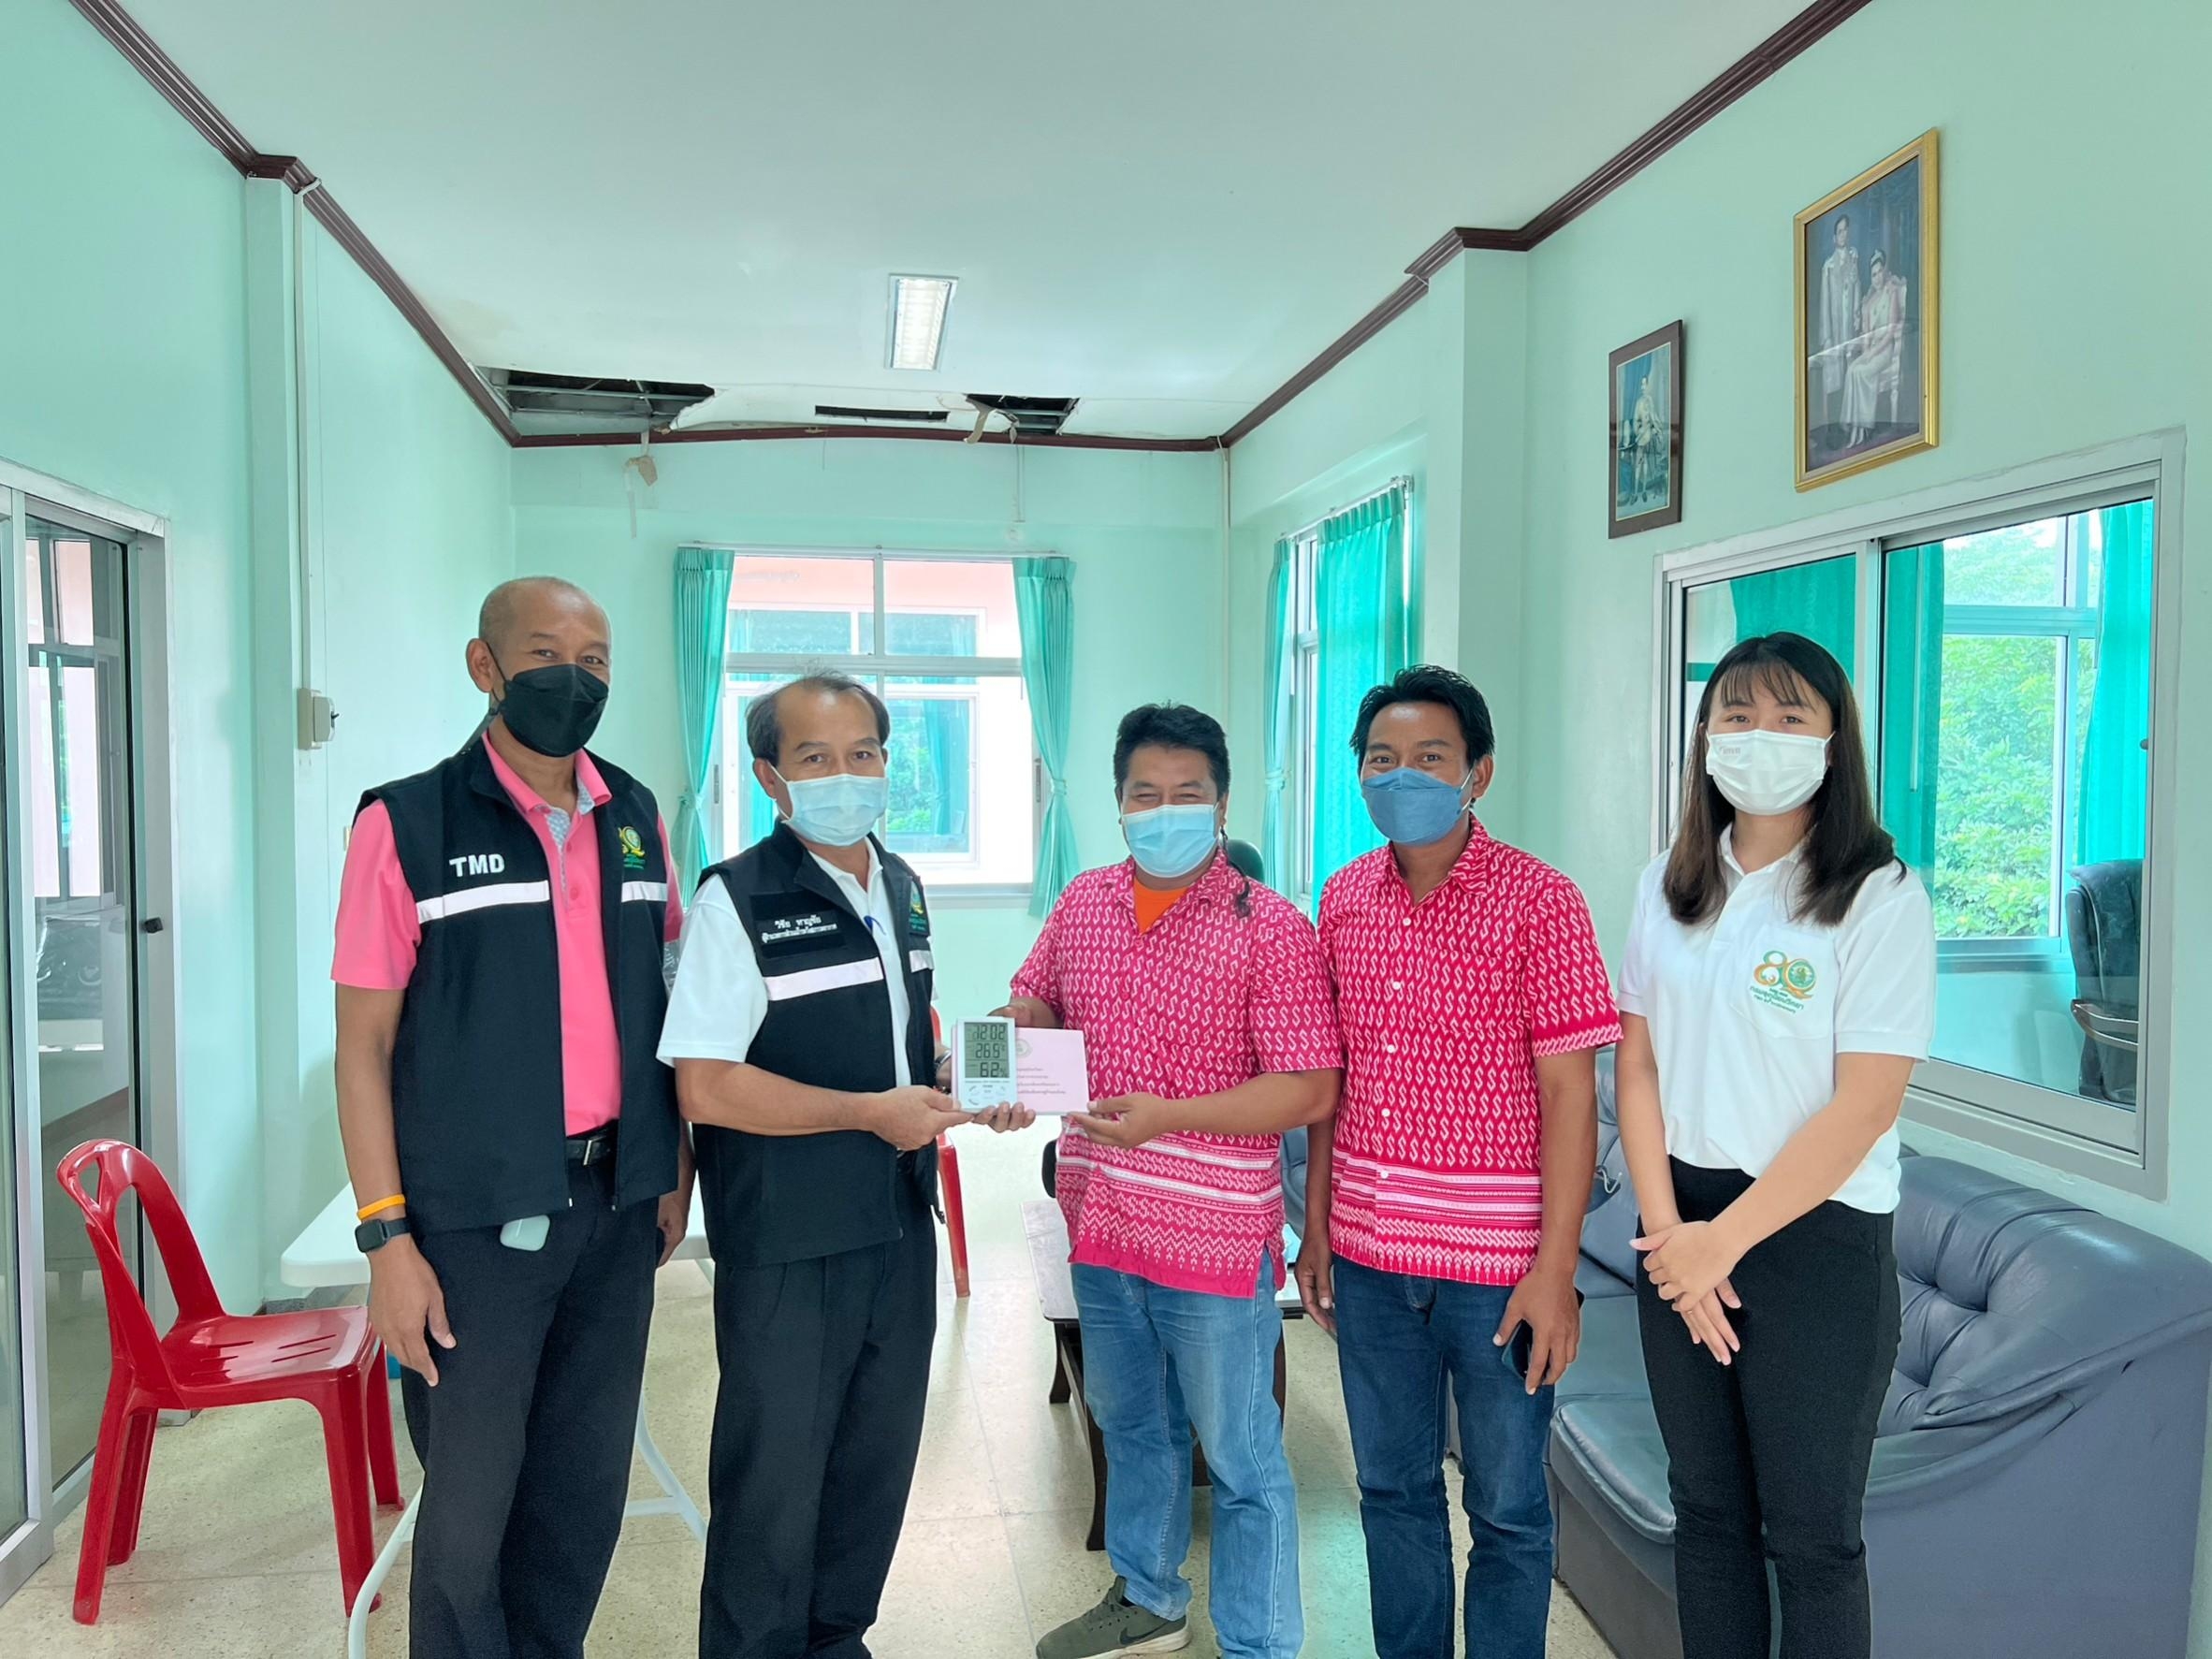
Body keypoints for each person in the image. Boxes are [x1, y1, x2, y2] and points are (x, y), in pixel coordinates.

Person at [332, 575, 690, 1659]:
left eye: (595, 660)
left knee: (581, 1492)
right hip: (471, 1225)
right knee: (470, 1512)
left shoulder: (636, 817)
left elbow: (665, 1002)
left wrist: (670, 1169)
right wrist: (387, 1241)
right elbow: (363, 1050)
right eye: (544, 654)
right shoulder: (407, 823)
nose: (572, 679)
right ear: (484, 666)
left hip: (615, 1209)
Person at [1616, 633, 1933, 1659]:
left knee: (1812, 1540)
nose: (1761, 736)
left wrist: (1723, 1242)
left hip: (1816, 1238)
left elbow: (1865, 1104)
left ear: (1834, 743)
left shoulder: (1879, 894)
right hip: (1679, 1225)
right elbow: (1637, 1065)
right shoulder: (1668, 884)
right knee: (1707, 1516)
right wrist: (1672, 1235)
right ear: (1707, 737)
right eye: (1738, 715)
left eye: (1792, 717)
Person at [1298, 666, 1621, 1659]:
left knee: (1509, 1508)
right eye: (1381, 759)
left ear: (1477, 773)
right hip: (1369, 1260)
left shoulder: (1541, 901)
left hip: (1499, 1273)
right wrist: (1317, 1228)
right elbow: (1329, 1080)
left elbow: (1571, 1098)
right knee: (1391, 1491)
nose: (1402, 776)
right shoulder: (1343, 898)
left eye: (1429, 758)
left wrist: (1556, 1272)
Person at [1008, 704, 1341, 1659]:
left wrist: (1171, 1115)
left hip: (1213, 1241)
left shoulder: (1270, 927)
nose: (1164, 812)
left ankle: (1261, 1642)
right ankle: (1148, 1597)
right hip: (1103, 1223)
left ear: (1222, 803)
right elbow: (1038, 995)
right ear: (1117, 803)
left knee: (1240, 1455)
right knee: (1132, 1425)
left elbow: (1308, 1086)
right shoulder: (1083, 902)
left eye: (1186, 793)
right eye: (1144, 794)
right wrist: (1010, 1039)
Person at [660, 673, 969, 1659]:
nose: (846, 775)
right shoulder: (737, 898)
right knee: (774, 1479)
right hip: (789, 1240)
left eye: (863, 754)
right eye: (816, 758)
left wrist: (942, 1079)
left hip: (896, 1226)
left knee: (874, 1462)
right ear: (770, 777)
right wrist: (867, 1112)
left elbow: (894, 1039)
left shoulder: (902, 884)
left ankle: (837, 1639)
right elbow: (705, 1085)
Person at [1842, 249, 1908, 446]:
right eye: (1873, 274)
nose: (1877, 277)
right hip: (1871, 350)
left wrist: (1873, 352)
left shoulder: (1892, 293)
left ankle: (1863, 428)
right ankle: (1854, 428)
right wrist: (1865, 353)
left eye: (1879, 272)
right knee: (1852, 370)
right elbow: (1866, 336)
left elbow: (1891, 331)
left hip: (1885, 351)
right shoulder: (1869, 302)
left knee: (1861, 373)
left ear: (1884, 271)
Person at [1817, 213, 1862, 431]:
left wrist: (1857, 317)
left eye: (1846, 230)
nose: (1843, 234)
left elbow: (1857, 287)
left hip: (1849, 326)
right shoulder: (1828, 266)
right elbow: (1824, 303)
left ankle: (1851, 421)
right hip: (1834, 327)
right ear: (1834, 237)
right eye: (1840, 231)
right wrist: (1826, 336)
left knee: (1850, 368)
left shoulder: (1854, 258)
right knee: (1833, 374)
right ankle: (1832, 425)